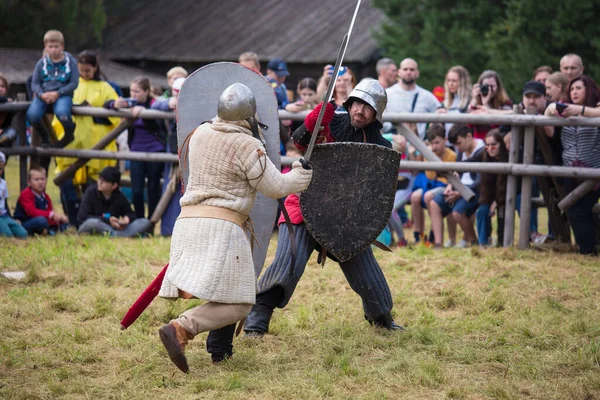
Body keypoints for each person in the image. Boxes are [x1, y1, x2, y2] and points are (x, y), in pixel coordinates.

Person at [156, 83, 313, 372]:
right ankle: (182, 328)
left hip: (188, 222)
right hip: (222, 226)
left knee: (225, 292)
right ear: (249, 116)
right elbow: (275, 186)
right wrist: (301, 176)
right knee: (240, 303)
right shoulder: (247, 144)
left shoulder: (200, 132)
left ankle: (218, 349)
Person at [243, 78, 404, 345]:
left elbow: (374, 194)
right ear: (349, 103)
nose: (360, 111)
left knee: (369, 278)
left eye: (367, 107)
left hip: (346, 219)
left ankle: (381, 319)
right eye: (357, 104)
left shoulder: (381, 148)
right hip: (305, 204)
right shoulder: (330, 123)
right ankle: (256, 319)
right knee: (288, 264)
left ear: (377, 114)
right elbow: (299, 143)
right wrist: (311, 123)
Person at [51, 50, 121, 226]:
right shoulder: (70, 85)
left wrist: (98, 112)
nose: (84, 74)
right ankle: (73, 220)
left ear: (95, 68)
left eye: (87, 71)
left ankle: (90, 221)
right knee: (66, 183)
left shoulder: (105, 88)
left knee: (92, 186)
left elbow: (116, 115)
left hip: (97, 144)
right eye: (81, 70)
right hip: (72, 143)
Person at [545, 75, 600, 255]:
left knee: (578, 211)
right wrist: (553, 109)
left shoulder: (596, 108)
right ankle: (590, 247)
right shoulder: (565, 114)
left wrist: (577, 109)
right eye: (572, 89)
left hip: (593, 174)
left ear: (589, 90)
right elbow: (548, 123)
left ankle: (587, 251)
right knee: (577, 211)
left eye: (579, 88)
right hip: (570, 172)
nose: (574, 92)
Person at [104, 76, 168, 221]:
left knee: (153, 188)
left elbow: (155, 126)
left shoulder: (154, 104)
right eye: (131, 91)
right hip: (136, 151)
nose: (133, 94)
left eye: (137, 91)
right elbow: (106, 104)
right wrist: (114, 103)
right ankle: (139, 220)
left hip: (155, 150)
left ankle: (151, 221)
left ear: (146, 91)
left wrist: (143, 112)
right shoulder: (130, 103)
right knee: (137, 190)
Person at [428, 124, 484, 248]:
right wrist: (450, 186)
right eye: (456, 145)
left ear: (469, 136)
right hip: (459, 188)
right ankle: (438, 243)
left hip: (475, 191)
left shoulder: (482, 150)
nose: (458, 147)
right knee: (434, 204)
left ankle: (474, 242)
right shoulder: (462, 152)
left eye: (459, 143)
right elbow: (457, 173)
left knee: (458, 213)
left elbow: (481, 182)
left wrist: (460, 193)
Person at [26, 30, 79, 149]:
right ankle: (45, 137)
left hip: (62, 94)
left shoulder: (71, 63)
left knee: (62, 113)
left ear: (62, 46)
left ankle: (69, 134)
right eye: (51, 47)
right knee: (32, 115)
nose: (54, 50)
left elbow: (74, 83)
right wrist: (41, 94)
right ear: (46, 47)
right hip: (44, 94)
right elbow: (35, 83)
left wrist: (58, 93)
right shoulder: (41, 63)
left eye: (56, 46)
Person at [410, 124, 456, 244]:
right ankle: (418, 235)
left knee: (428, 196)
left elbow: (451, 178)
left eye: (437, 142)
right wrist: (413, 154)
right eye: (431, 143)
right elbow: (417, 169)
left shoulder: (451, 155)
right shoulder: (427, 153)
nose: (434, 146)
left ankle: (433, 233)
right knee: (415, 197)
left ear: (445, 140)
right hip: (428, 184)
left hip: (443, 185)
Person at [77, 166, 151, 237]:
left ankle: (115, 234)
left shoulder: (119, 196)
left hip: (114, 228)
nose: (99, 182)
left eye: (104, 181)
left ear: (114, 185)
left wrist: (126, 219)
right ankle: (118, 234)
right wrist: (108, 220)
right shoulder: (91, 192)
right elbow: (82, 217)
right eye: (99, 179)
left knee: (145, 222)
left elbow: (131, 214)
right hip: (97, 225)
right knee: (92, 223)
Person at [385, 58, 441, 139]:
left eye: (412, 69)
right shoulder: (387, 94)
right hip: (393, 144)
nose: (408, 72)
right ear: (399, 72)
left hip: (420, 147)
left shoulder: (427, 96)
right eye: (405, 69)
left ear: (417, 73)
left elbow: (439, 115)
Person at [476, 129, 508, 247]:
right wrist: (457, 171)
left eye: (493, 145)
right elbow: (469, 161)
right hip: (488, 195)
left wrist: (497, 201)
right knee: (482, 211)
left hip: (505, 196)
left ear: (501, 144)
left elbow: (512, 186)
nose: (490, 149)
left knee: (502, 211)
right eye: (487, 145)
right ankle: (483, 243)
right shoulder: (484, 155)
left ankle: (502, 242)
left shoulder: (509, 157)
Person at [14, 166, 68, 235]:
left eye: (42, 179)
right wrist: (51, 214)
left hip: (43, 220)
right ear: (29, 182)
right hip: (25, 222)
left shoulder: (46, 197)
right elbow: (31, 212)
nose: (40, 182)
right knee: (41, 221)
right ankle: (47, 231)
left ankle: (48, 231)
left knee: (62, 223)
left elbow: (49, 213)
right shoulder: (26, 194)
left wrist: (59, 219)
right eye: (36, 179)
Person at [468, 70, 512, 140]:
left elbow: (501, 126)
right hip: (480, 142)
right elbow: (469, 124)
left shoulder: (506, 103)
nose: (489, 90)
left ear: (498, 87)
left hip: (498, 142)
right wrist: (474, 100)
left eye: (492, 86)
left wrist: (486, 106)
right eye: (486, 86)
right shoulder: (476, 102)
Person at [437, 65, 472, 137]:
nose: (450, 84)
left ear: (462, 82)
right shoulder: (444, 104)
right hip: (446, 144)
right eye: (448, 80)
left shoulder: (471, 102)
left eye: (454, 81)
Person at [0, 151, 27, 238]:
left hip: (3, 215)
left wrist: (10, 217)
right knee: (7, 235)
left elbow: (4, 203)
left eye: (0, 169)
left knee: (23, 234)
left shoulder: (3, 183)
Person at [0, 73, 17, 155]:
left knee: (11, 133)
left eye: (2, 86)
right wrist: (5, 100)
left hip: (1, 135)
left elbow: (7, 124)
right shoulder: (7, 101)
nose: (0, 89)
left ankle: (1, 166)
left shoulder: (9, 106)